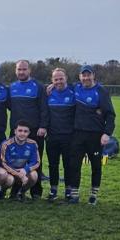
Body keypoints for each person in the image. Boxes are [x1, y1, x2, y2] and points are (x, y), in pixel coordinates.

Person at [68, 65, 116, 205]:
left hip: (95, 135)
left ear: (93, 75)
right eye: (83, 75)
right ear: (79, 77)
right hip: (77, 134)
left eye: (88, 75)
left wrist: (107, 133)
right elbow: (61, 85)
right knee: (74, 165)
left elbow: (111, 115)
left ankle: (93, 195)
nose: (86, 78)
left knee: (96, 166)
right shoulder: (75, 88)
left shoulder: (101, 91)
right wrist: (52, 86)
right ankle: (74, 195)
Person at [8, 60, 48, 199]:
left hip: (35, 131)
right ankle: (15, 190)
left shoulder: (38, 86)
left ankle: (36, 192)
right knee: (14, 161)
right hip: (15, 131)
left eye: (24, 69)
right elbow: (9, 105)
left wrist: (43, 126)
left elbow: (44, 108)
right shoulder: (12, 87)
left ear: (29, 70)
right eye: (19, 69)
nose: (21, 72)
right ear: (15, 71)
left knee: (35, 161)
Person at [44, 68, 76, 202]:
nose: (58, 81)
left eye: (61, 78)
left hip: (69, 136)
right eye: (55, 79)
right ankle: (53, 190)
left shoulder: (74, 92)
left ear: (66, 78)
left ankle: (68, 191)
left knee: (68, 164)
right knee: (53, 164)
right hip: (52, 135)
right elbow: (44, 113)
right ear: (52, 80)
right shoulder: (48, 93)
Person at [0, 120, 40, 202]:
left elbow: (36, 162)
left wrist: (25, 170)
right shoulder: (6, 144)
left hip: (23, 171)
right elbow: (4, 163)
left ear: (29, 133)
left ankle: (20, 193)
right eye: (20, 130)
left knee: (34, 175)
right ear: (15, 131)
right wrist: (18, 174)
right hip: (9, 172)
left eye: (25, 131)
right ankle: (2, 192)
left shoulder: (33, 144)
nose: (22, 133)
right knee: (10, 180)